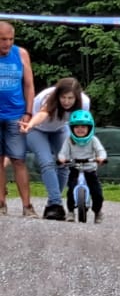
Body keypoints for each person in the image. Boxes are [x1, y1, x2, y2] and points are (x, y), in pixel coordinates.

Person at [21, 77, 90, 220]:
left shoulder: (84, 102)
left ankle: (52, 203)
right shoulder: (48, 98)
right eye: (63, 97)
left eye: (70, 98)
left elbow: (80, 124)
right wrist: (30, 124)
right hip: (36, 128)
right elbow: (43, 114)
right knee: (47, 162)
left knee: (64, 162)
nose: (66, 102)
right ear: (58, 95)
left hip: (59, 128)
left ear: (76, 97)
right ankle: (56, 204)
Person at [0, 21, 37, 217]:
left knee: (18, 159)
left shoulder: (21, 54)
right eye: (2, 39)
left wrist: (28, 113)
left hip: (16, 114)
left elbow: (29, 85)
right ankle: (1, 203)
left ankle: (27, 206)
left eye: (10, 39)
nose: (7, 43)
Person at [56, 110, 106, 223]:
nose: (80, 129)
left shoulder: (93, 140)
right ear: (71, 128)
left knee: (97, 193)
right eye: (76, 127)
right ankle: (70, 211)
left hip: (90, 170)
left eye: (83, 126)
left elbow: (100, 151)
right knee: (71, 190)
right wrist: (62, 158)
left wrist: (101, 158)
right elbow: (63, 152)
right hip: (75, 169)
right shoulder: (69, 140)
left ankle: (97, 212)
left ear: (90, 127)